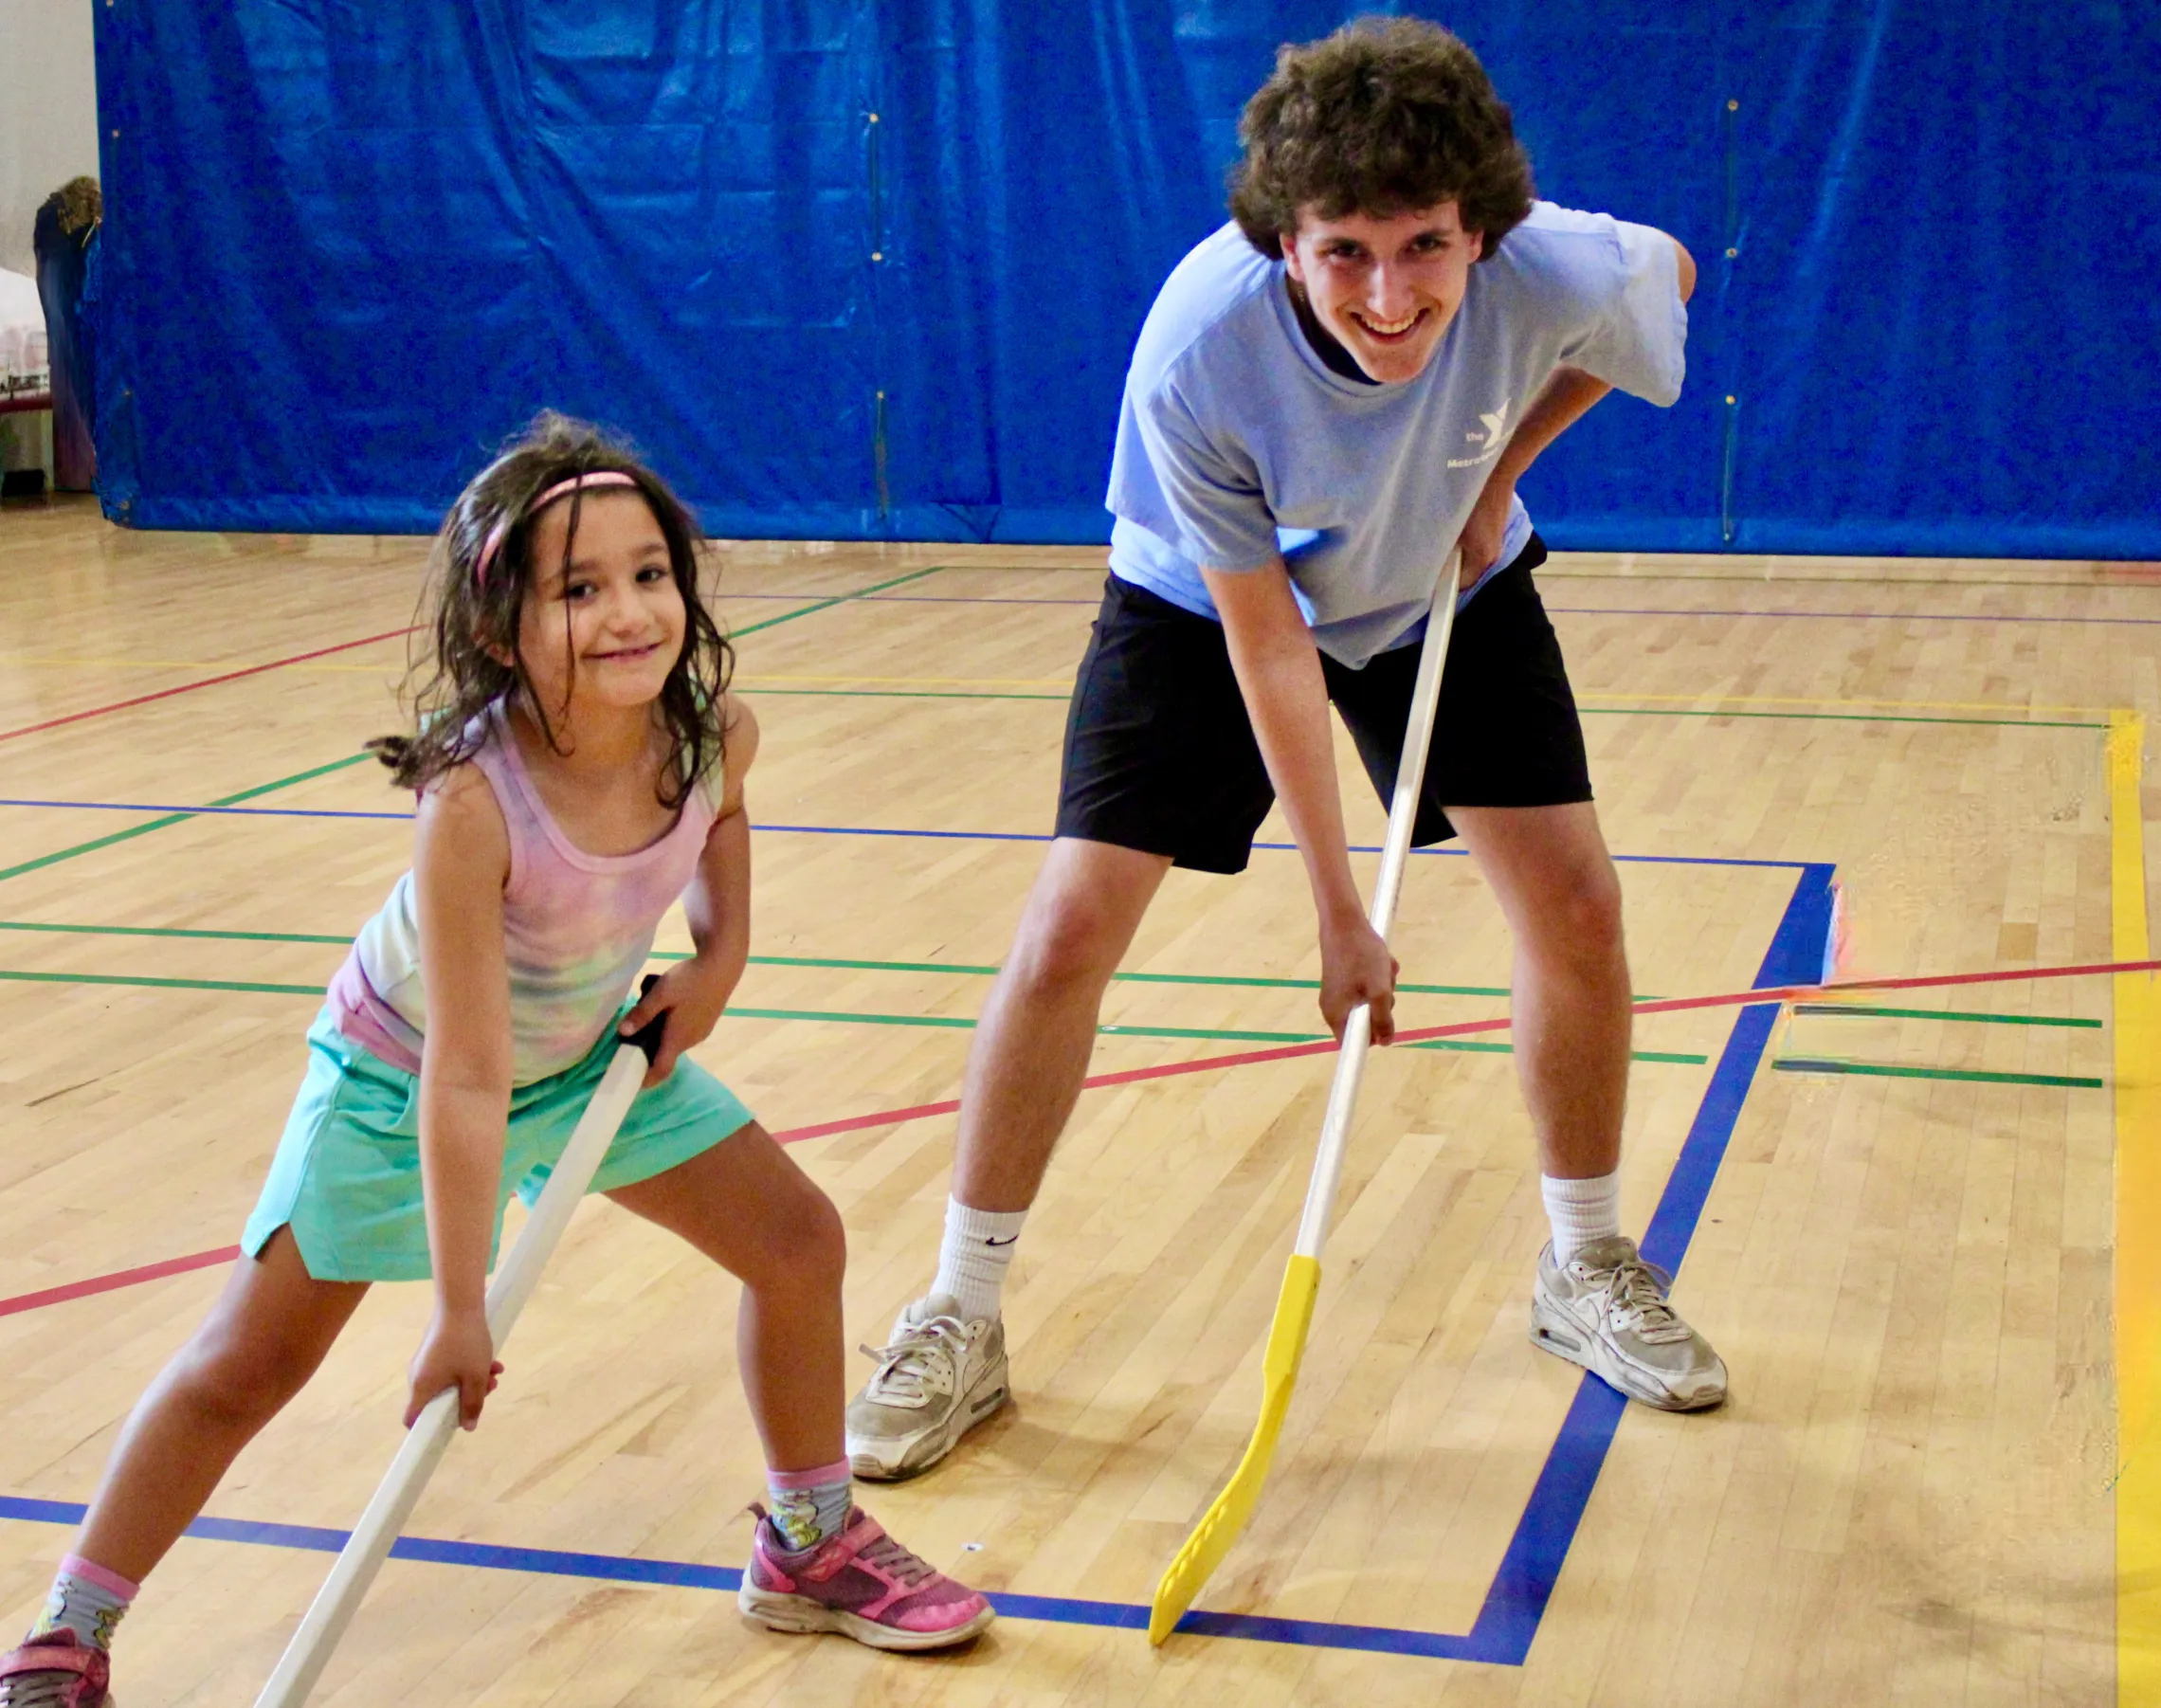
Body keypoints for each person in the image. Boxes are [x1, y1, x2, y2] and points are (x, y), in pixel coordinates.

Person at [846, 17, 1726, 1484]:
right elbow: (1268, 644)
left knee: (1575, 903)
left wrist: (1499, 468)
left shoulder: (1549, 263)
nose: (1392, 297)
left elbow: (1672, 276)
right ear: (1285, 241)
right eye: (1346, 254)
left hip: (1435, 569)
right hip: (1210, 598)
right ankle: (961, 1307)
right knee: (1070, 922)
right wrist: (1338, 911)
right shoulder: (1201, 346)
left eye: (1428, 249)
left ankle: (1585, 1264)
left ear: (1479, 230)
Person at [0, 416, 990, 1707]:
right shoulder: (472, 801)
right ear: (495, 625)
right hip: (399, 1082)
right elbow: (462, 1075)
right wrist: (459, 1307)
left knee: (797, 1242)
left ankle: (807, 1541)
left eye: (651, 573)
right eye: (578, 587)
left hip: (587, 1059)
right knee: (250, 1362)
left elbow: (722, 820)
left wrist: (720, 959)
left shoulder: (708, 733)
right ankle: (67, 1634)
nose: (629, 611)